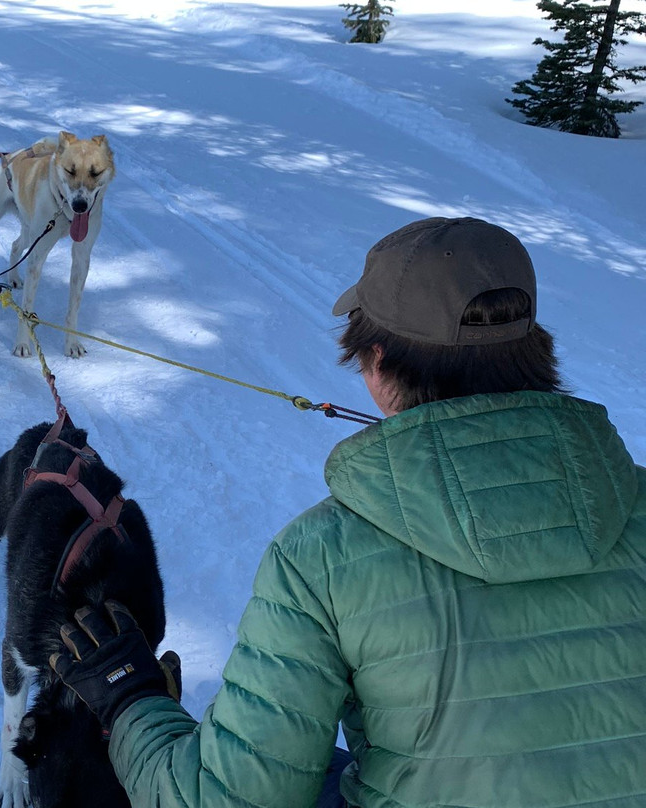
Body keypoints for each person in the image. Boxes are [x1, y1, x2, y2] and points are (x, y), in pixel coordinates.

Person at [49, 217, 646, 808]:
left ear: (378, 364)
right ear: (534, 351)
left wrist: (130, 698)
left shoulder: (321, 558)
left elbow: (225, 801)